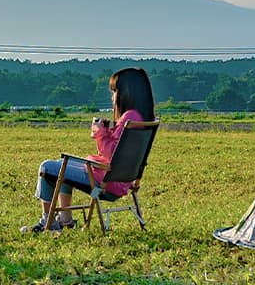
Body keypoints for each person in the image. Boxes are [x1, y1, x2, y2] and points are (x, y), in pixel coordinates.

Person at [23, 67, 156, 232]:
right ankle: (65, 220)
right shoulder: (140, 118)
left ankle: (47, 223)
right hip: (122, 180)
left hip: (107, 181)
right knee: (61, 165)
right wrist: (107, 132)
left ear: (126, 93)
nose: (112, 97)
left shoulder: (128, 118)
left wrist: (99, 132)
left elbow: (113, 155)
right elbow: (121, 150)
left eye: (115, 91)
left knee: (47, 167)